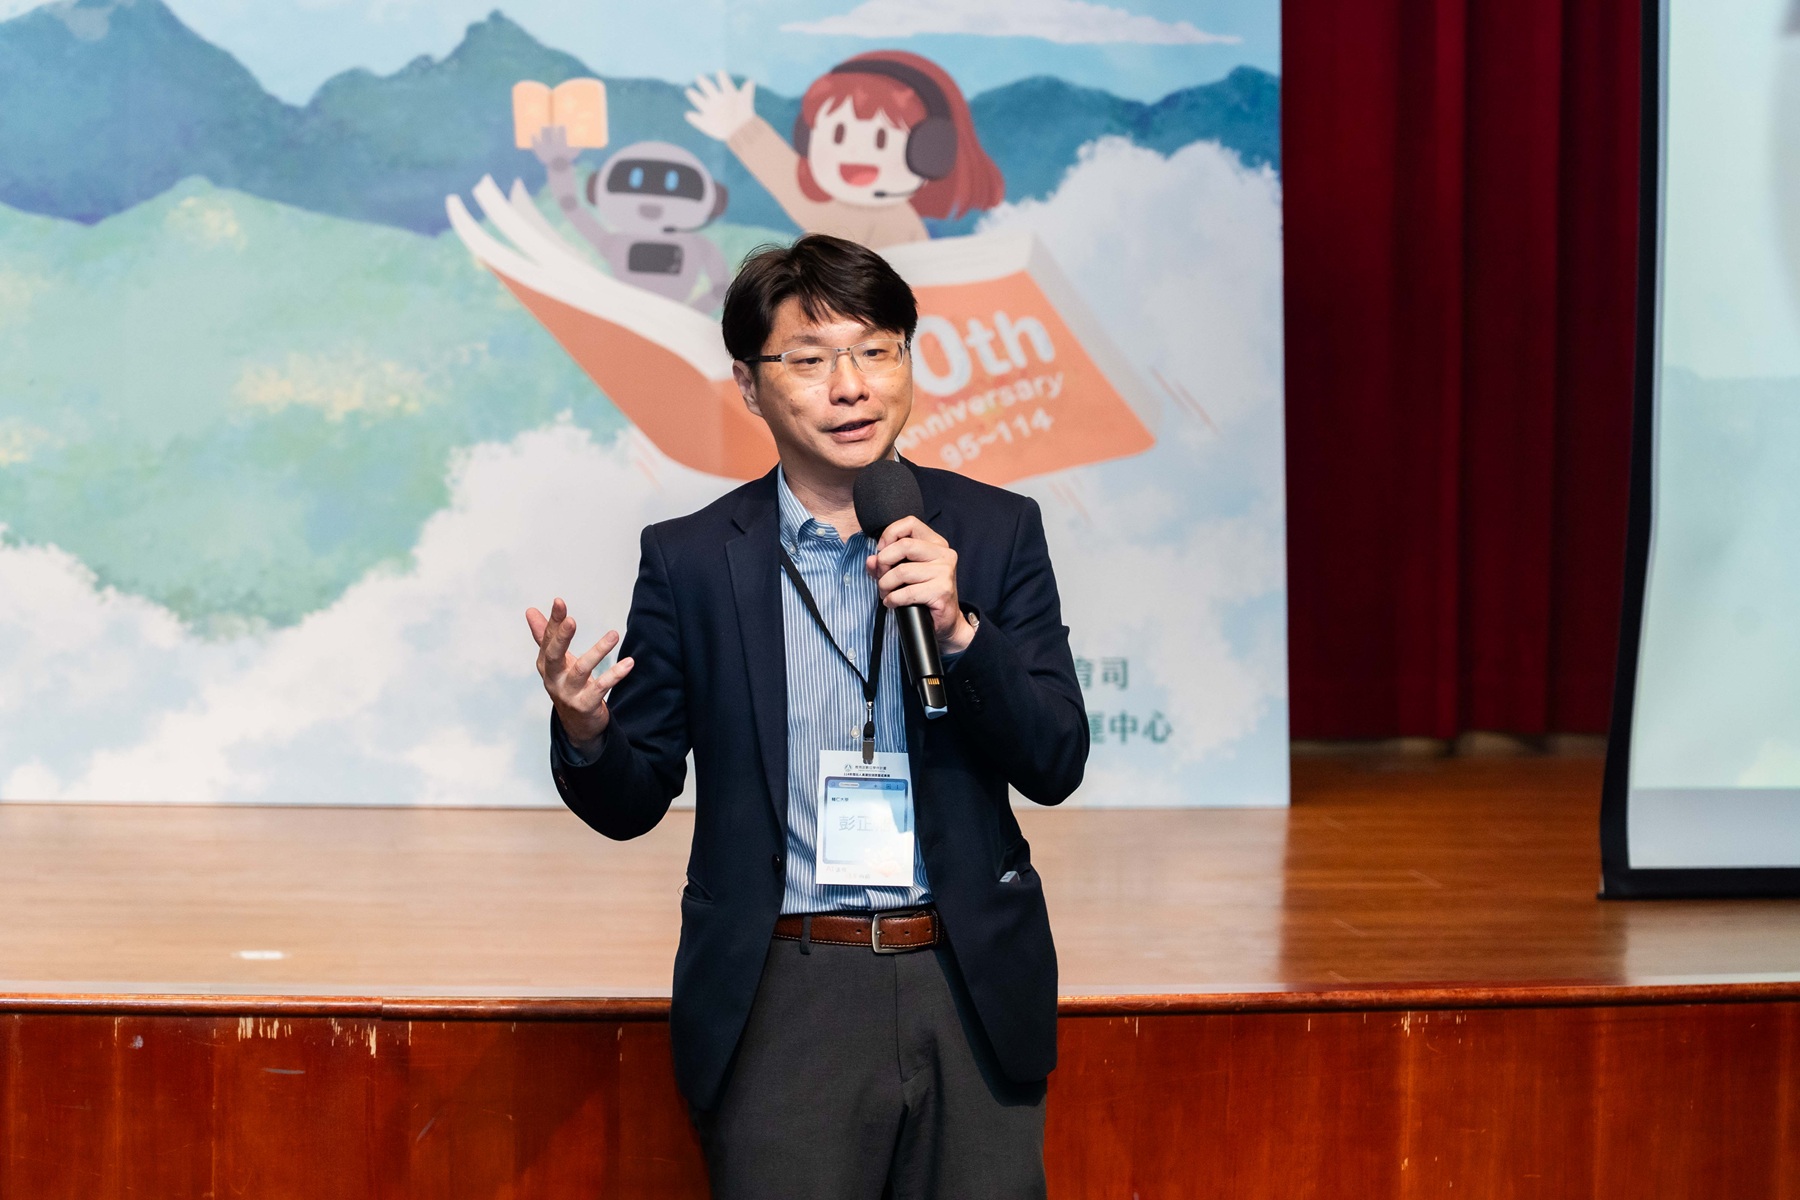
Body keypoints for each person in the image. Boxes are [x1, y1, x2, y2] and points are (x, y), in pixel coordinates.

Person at [526, 233, 1087, 1199]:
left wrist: (961, 631)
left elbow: (1056, 759)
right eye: (812, 359)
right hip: (785, 986)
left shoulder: (994, 532)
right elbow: (633, 797)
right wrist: (586, 731)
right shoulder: (693, 560)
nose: (851, 386)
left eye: (876, 351)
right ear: (750, 386)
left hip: (966, 979)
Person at [684, 52, 1005, 249]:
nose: (854, 155)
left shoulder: (903, 227)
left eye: (881, 140)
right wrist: (740, 126)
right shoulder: (820, 205)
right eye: (837, 134)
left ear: (930, 153)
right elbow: (777, 167)